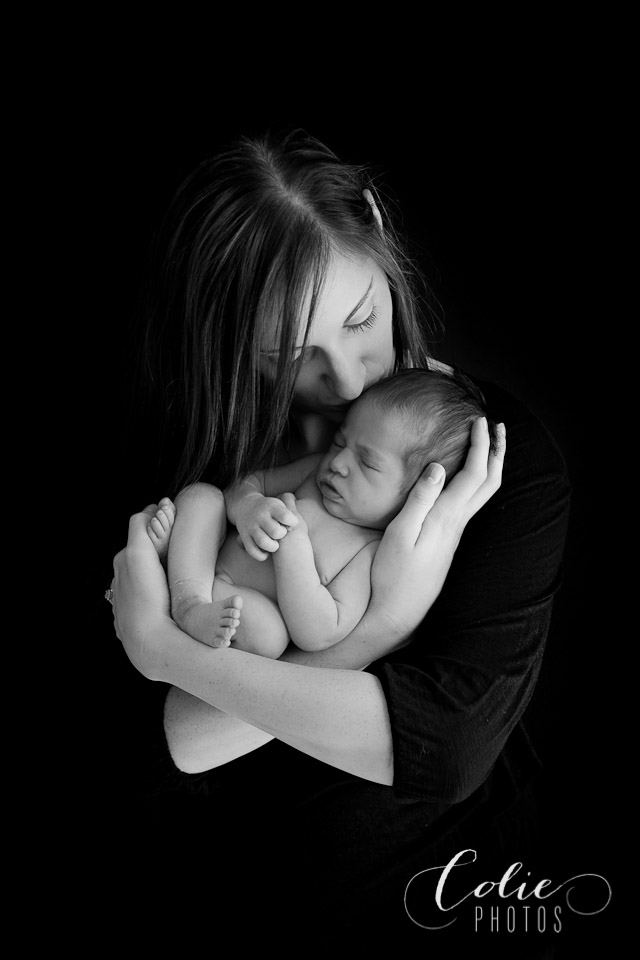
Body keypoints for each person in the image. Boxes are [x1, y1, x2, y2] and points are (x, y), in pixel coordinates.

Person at [109, 129, 569, 949]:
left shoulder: (489, 463)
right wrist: (378, 633)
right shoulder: (193, 447)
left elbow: (449, 744)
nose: (351, 381)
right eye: (292, 355)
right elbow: (149, 754)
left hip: (458, 892)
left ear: (382, 232)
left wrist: (165, 649)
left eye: (361, 319)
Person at [148, 368, 495, 657]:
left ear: (419, 494)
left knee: (270, 638)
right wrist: (249, 505)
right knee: (203, 497)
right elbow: (246, 483)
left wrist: (294, 551)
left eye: (367, 463)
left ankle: (175, 589)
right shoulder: (316, 473)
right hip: (207, 560)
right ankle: (184, 595)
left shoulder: (370, 552)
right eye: (340, 443)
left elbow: (320, 633)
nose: (339, 463)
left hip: (240, 605)